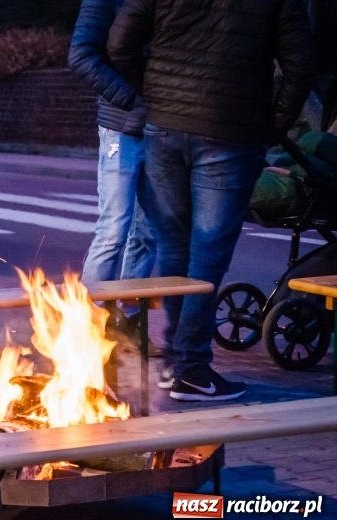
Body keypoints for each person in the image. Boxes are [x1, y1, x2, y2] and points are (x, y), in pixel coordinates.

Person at [107, 0, 317, 400]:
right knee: (207, 255)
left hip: (165, 128)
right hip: (230, 130)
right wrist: (272, 126)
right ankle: (190, 368)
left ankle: (176, 362)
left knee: (174, 249)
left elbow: (119, 43)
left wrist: (155, 94)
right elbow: (300, 65)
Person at [68, 0, 158, 354]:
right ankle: (87, 328)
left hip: (157, 127)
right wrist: (130, 100)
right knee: (114, 228)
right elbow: (80, 56)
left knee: (149, 231)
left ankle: (129, 322)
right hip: (121, 127)